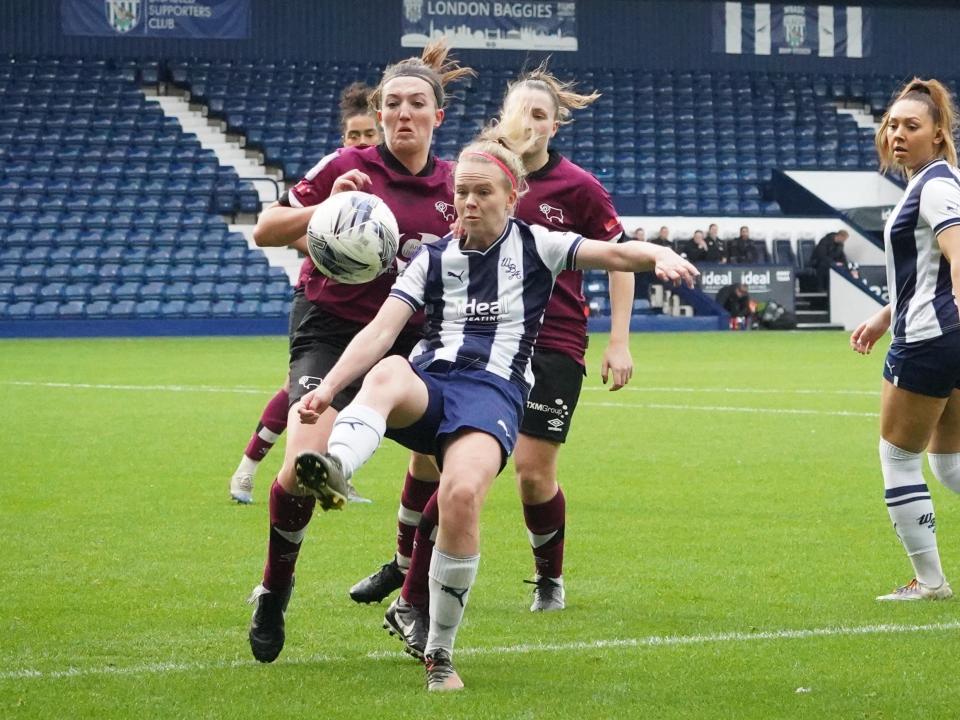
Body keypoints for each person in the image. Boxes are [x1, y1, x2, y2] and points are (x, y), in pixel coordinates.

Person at [291, 129, 698, 691]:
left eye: (482, 192)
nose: (468, 203)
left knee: (459, 495)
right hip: (433, 386)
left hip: (494, 395)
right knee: (387, 370)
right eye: (461, 192)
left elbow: (615, 252)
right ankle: (336, 466)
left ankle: (439, 652)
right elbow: (380, 331)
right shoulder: (430, 258)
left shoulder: (541, 244)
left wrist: (659, 254)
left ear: (513, 195)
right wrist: (327, 387)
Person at [348, 64, 635, 625]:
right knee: (433, 464)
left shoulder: (577, 187)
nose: (528, 123)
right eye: (519, 111)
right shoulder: (476, 171)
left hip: (550, 340)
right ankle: (406, 569)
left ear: (555, 126)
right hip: (466, 339)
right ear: (501, 116)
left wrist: (619, 340)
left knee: (531, 473)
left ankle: (547, 575)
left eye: (540, 115)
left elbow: (621, 257)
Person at [243, 40, 474, 664]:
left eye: (416, 104)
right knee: (300, 469)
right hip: (330, 329)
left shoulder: (457, 187)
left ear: (436, 117)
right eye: (392, 103)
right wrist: (327, 207)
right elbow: (266, 228)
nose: (403, 114)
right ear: (380, 111)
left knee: (452, 461)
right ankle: (275, 588)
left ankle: (412, 589)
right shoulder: (349, 163)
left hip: (410, 340)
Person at [228, 82, 382, 505]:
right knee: (302, 391)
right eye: (355, 135)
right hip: (328, 306)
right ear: (344, 138)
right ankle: (248, 467)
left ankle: (337, 471)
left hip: (377, 315)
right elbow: (285, 230)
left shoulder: (391, 182)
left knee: (362, 394)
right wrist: (332, 241)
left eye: (370, 134)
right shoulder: (339, 171)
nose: (363, 141)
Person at [849, 77, 960, 602]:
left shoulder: (935, 186)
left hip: (930, 340)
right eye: (892, 124)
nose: (897, 134)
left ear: (939, 134)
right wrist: (883, 315)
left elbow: (958, 257)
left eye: (912, 126)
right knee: (950, 463)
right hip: (941, 334)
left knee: (897, 458)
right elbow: (927, 273)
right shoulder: (934, 182)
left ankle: (930, 582)